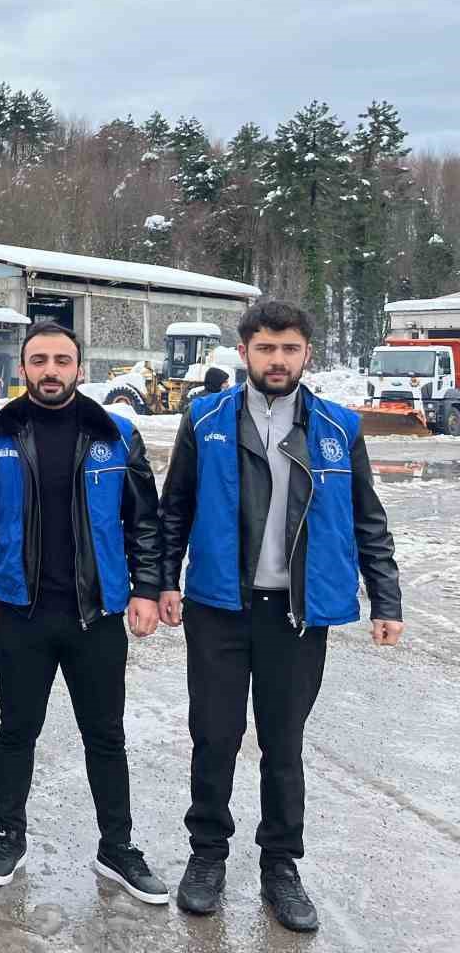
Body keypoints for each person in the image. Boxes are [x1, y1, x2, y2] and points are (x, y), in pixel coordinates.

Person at [158, 299, 403, 933]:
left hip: (295, 616)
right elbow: (174, 509)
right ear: (244, 352)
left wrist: (386, 598)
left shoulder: (338, 427)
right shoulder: (205, 418)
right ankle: (207, 856)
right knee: (214, 736)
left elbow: (367, 518)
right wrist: (159, 582)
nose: (277, 359)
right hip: (220, 607)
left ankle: (280, 867)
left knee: (282, 744)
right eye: (265, 348)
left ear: (306, 354)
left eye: (290, 348)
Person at [0, 320, 169, 904]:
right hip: (20, 611)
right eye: (40, 360)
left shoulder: (115, 434)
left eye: (63, 360)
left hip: (95, 615)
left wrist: (146, 590)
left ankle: (117, 847)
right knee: (16, 730)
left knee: (105, 735)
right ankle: (8, 835)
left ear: (80, 367)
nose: (51, 370)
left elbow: (143, 523)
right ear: (22, 368)